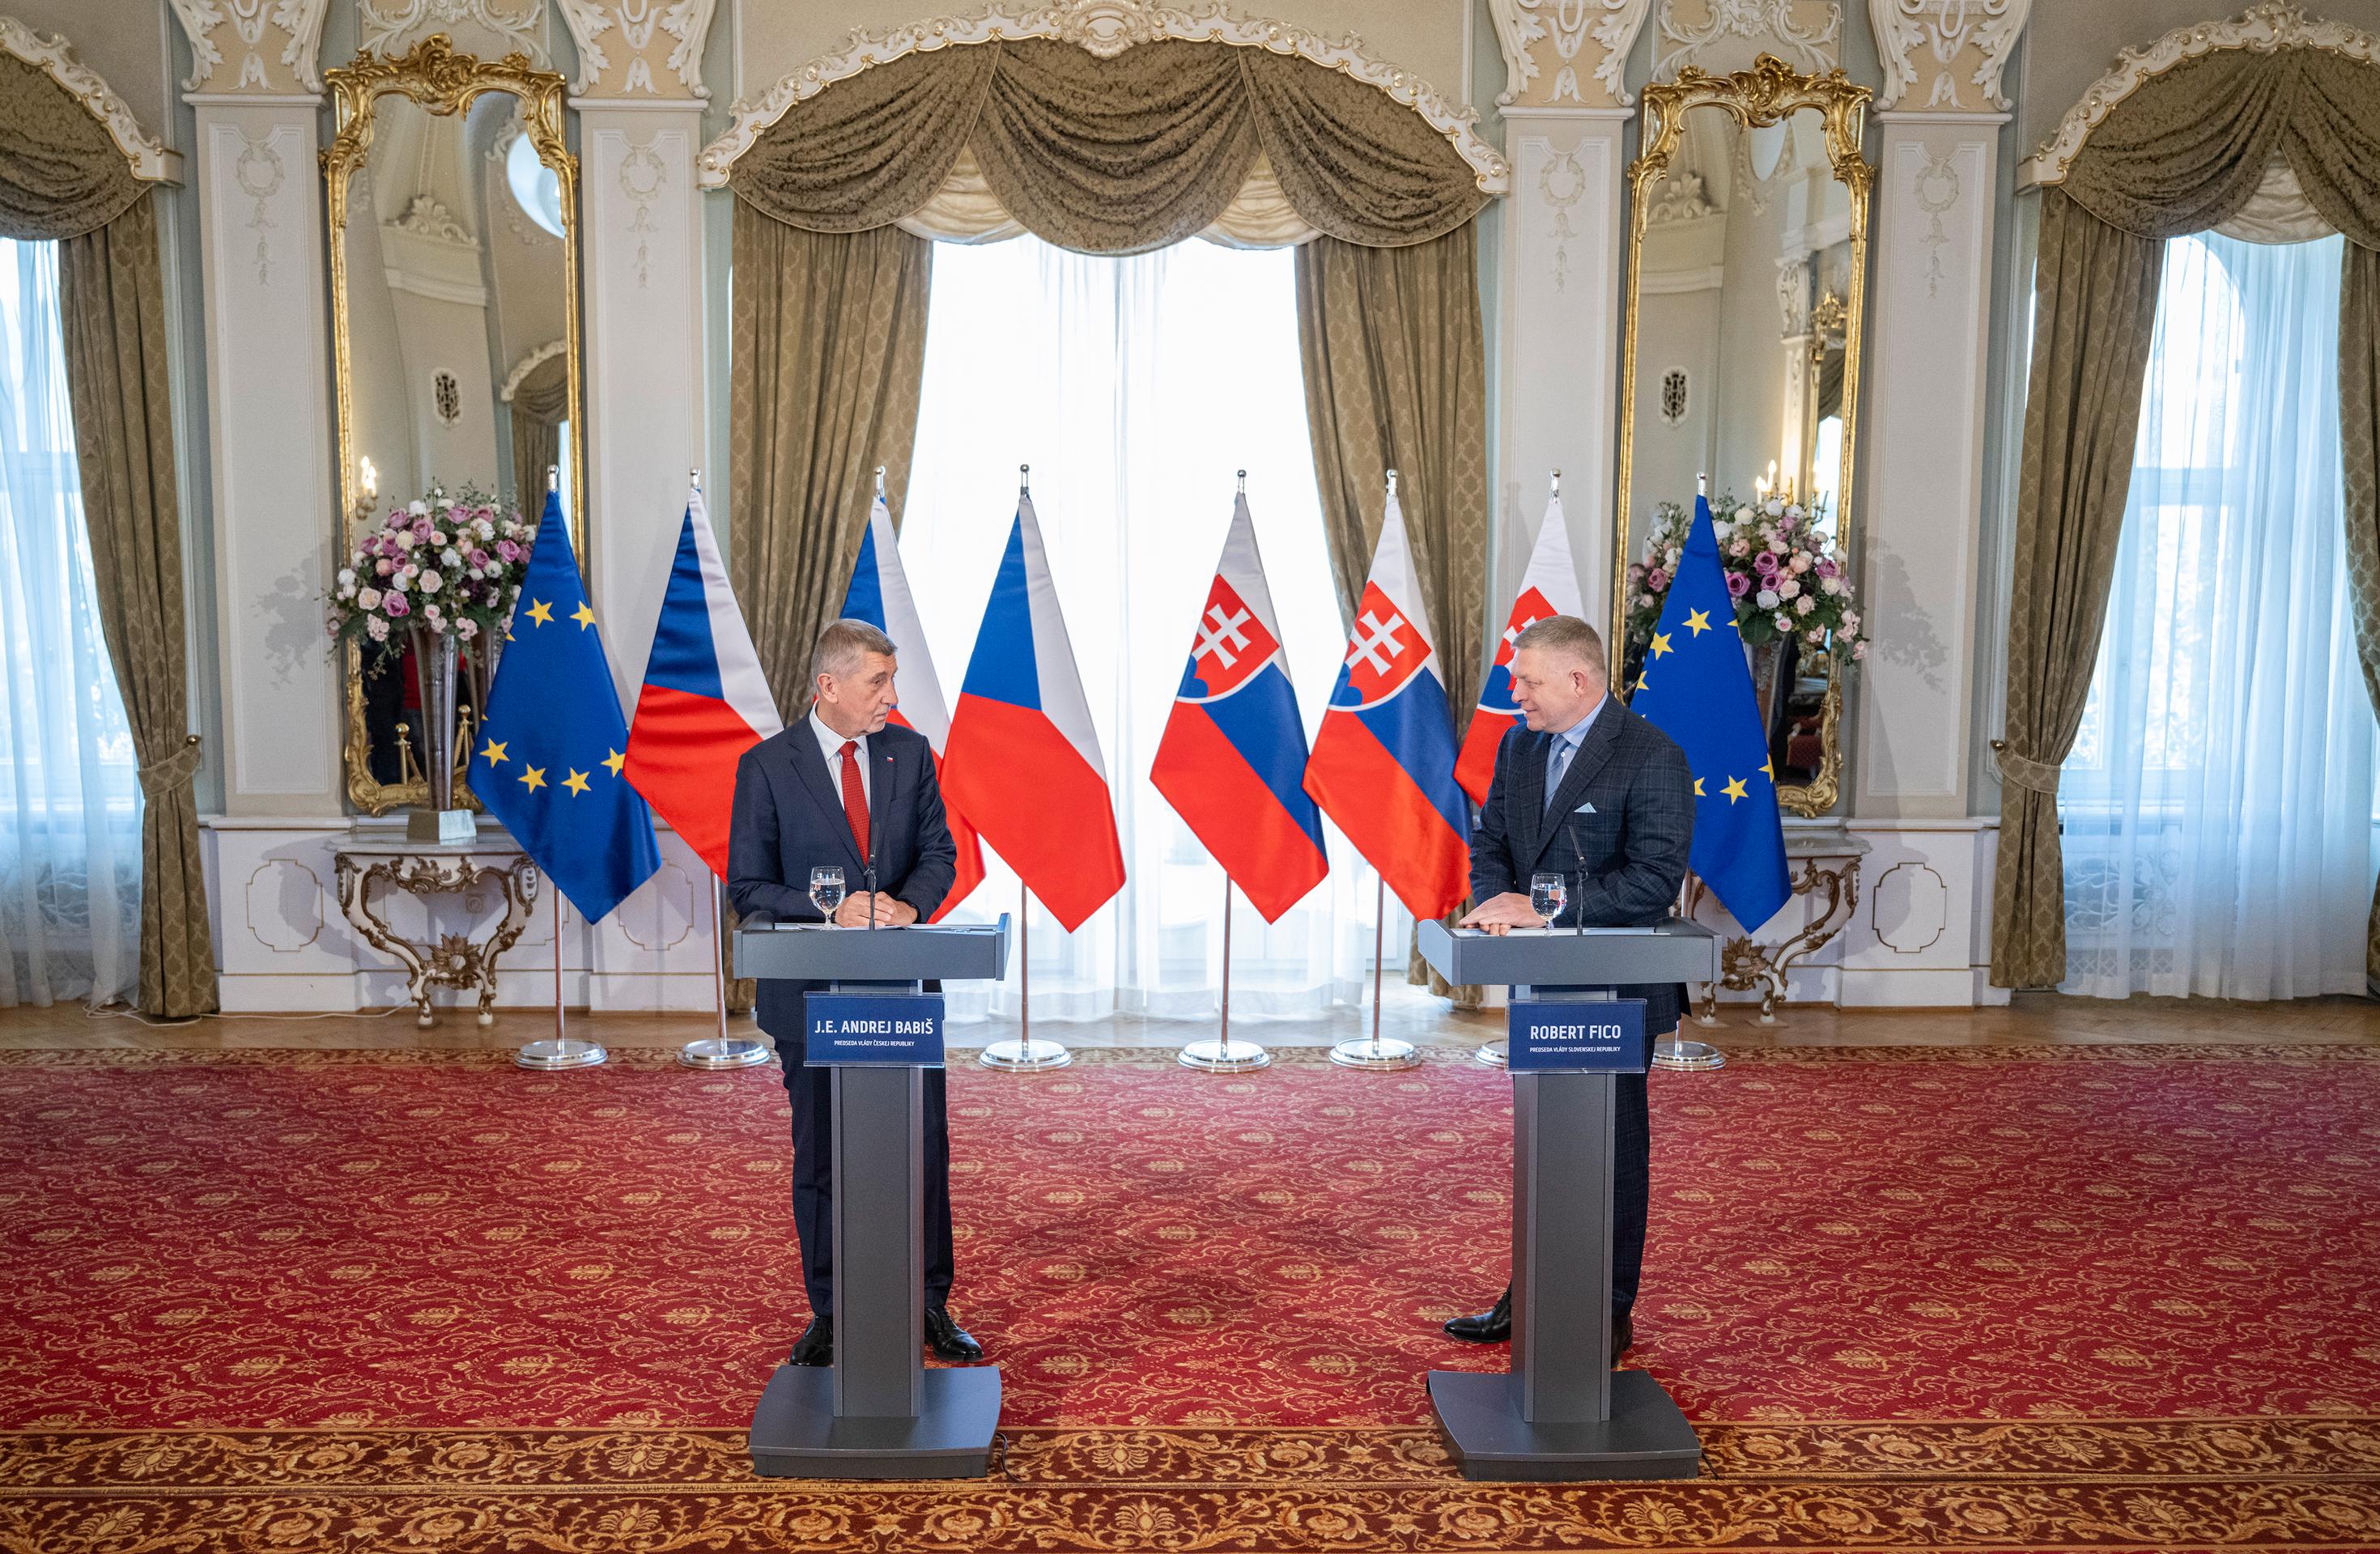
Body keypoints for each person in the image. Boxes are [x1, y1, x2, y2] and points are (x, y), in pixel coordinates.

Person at [727, 618, 980, 1369]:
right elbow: (749, 885)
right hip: (809, 995)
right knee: (824, 1154)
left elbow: (941, 854)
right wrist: (830, 909)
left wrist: (909, 905)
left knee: (922, 1147)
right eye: (878, 681)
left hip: (901, 995)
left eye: (893, 680)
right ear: (828, 686)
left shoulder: (911, 756)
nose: (892, 697)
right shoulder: (767, 767)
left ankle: (930, 1303)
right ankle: (831, 1313)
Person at [1447, 614, 1694, 1361]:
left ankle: (1609, 1309)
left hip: (1616, 994)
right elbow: (1492, 842)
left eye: (1526, 680)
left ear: (1578, 680)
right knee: (1543, 1147)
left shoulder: (1652, 755)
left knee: (1612, 1152)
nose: (1514, 691)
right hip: (1543, 987)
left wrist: (1540, 910)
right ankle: (1533, 1293)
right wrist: (1496, 905)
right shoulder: (1520, 746)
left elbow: (1651, 883)